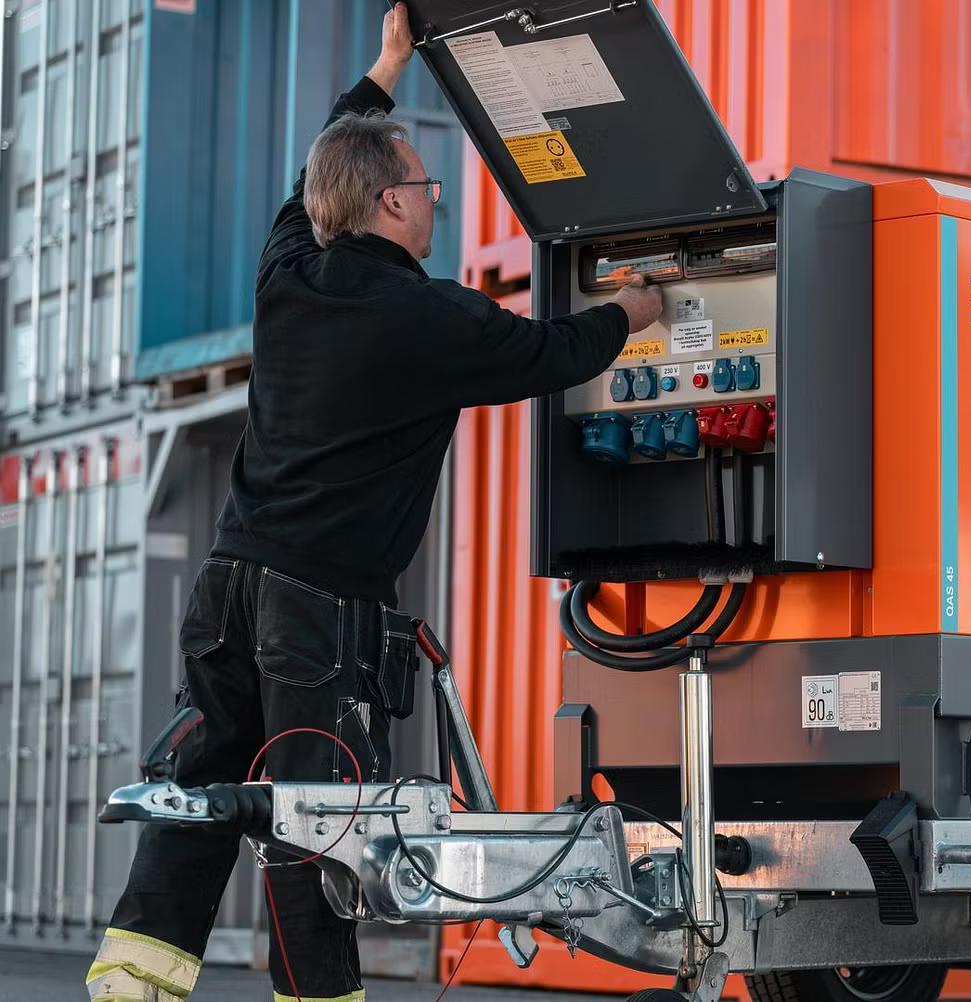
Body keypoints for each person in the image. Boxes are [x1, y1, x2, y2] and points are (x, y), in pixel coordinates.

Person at [85, 6, 661, 1000]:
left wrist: (389, 64)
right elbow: (554, 353)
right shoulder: (428, 317)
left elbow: (314, 162)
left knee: (201, 793)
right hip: (315, 610)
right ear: (394, 205)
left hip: (225, 590)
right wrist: (637, 310)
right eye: (427, 190)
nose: (435, 205)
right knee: (315, 810)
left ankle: (130, 982)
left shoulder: (286, 270)